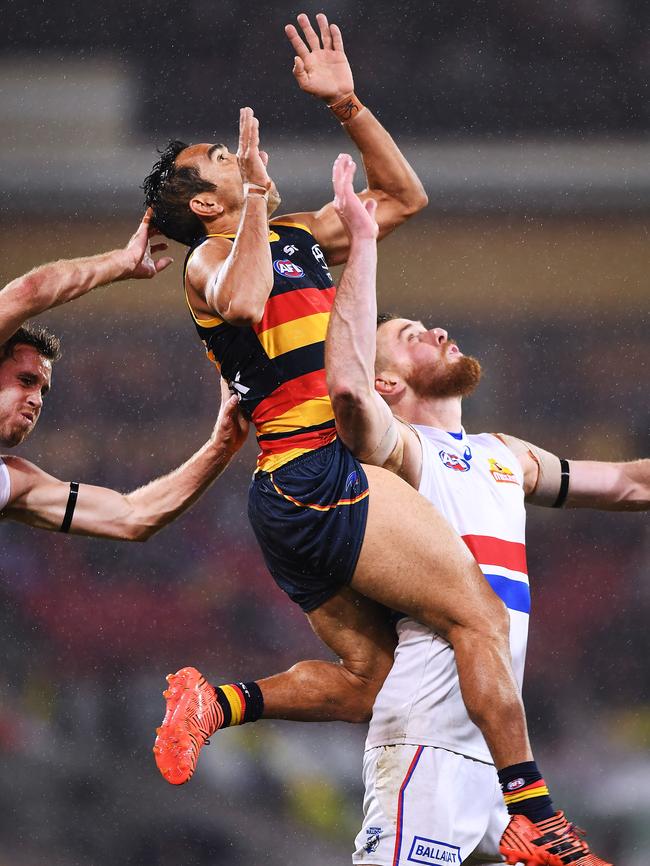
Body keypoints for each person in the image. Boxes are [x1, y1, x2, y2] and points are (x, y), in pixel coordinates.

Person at [144, 14, 577, 858]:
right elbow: (241, 300)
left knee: (371, 685)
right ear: (204, 203)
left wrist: (347, 103)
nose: (239, 159)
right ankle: (534, 816)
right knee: (479, 615)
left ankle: (216, 703)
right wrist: (262, 196)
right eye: (221, 162)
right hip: (317, 470)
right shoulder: (210, 259)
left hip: (291, 495)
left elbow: (406, 196)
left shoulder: (298, 232)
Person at [0, 215, 248, 539]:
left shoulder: (12, 481)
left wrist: (220, 447)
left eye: (43, 391)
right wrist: (121, 263)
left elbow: (132, 516)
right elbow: (29, 292)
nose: (36, 399)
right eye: (25, 380)